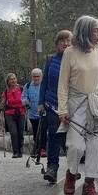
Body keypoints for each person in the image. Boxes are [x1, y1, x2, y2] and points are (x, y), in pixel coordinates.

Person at [57, 16, 98, 195]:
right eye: (97, 30)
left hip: (96, 107)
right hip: (76, 105)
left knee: (94, 147)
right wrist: (62, 109)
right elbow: (63, 84)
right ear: (86, 31)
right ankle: (71, 174)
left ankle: (89, 184)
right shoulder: (69, 53)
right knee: (76, 145)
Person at [38, 30, 72, 183]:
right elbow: (44, 82)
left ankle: (72, 168)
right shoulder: (51, 59)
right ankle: (52, 168)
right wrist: (40, 102)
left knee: (69, 137)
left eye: (68, 40)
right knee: (53, 134)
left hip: (71, 106)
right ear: (57, 44)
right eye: (61, 40)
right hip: (52, 104)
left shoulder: (75, 60)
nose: (65, 43)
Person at [0, 73, 25, 158]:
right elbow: (3, 101)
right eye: (11, 79)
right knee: (13, 133)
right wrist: (1, 106)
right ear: (8, 81)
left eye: (14, 78)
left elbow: (26, 99)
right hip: (9, 113)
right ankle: (15, 152)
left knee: (20, 132)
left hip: (20, 112)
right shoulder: (6, 91)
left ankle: (20, 150)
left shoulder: (21, 89)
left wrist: (27, 103)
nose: (13, 80)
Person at [21, 68, 44, 156]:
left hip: (43, 113)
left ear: (41, 76)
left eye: (38, 76)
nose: (36, 78)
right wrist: (26, 103)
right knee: (35, 132)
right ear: (32, 77)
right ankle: (36, 149)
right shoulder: (27, 86)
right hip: (32, 114)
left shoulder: (43, 85)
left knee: (42, 131)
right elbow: (23, 96)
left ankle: (41, 149)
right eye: (34, 77)